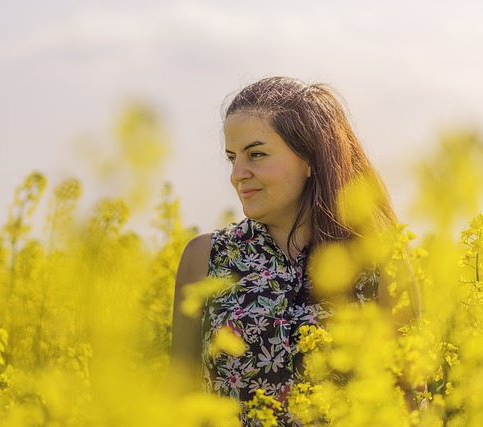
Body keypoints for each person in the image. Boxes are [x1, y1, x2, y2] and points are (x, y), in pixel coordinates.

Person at [169, 76, 419, 425]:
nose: (237, 174)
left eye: (256, 154)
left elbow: (406, 398)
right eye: (232, 158)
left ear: (309, 159)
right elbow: (178, 400)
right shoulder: (204, 258)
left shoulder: (379, 261)